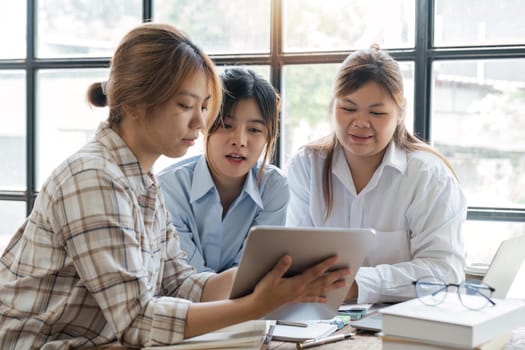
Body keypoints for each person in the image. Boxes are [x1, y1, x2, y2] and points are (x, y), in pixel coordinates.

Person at [0, 23, 350, 349]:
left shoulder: (142, 181)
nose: (201, 122)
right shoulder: (94, 177)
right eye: (186, 105)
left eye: (203, 106)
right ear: (137, 102)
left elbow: (180, 284)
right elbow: (138, 320)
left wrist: (272, 277)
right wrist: (258, 304)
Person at [286, 44, 467, 305]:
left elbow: (445, 271)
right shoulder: (307, 165)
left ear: (399, 113)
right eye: (348, 108)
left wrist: (356, 285)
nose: (360, 122)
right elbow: (292, 259)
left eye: (377, 112)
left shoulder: (427, 176)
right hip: (317, 317)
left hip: (401, 322)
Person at [157, 67, 287, 273]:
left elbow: (254, 273)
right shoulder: (169, 188)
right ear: (204, 124)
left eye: (254, 130)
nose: (240, 141)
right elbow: (188, 279)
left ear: (269, 136)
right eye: (226, 125)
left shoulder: (274, 186)